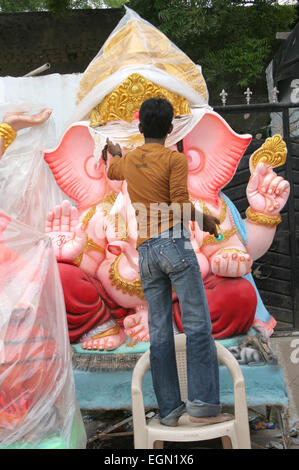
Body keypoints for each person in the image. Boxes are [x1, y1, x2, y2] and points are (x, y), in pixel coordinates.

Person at [106, 97, 228, 426]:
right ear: (171, 130)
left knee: (159, 332)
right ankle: (202, 404)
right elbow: (180, 206)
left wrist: (113, 152)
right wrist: (207, 221)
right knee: (197, 324)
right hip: (174, 245)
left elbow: (113, 167)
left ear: (141, 127)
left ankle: (170, 410)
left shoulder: (129, 160)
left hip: (146, 254)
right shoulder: (174, 161)